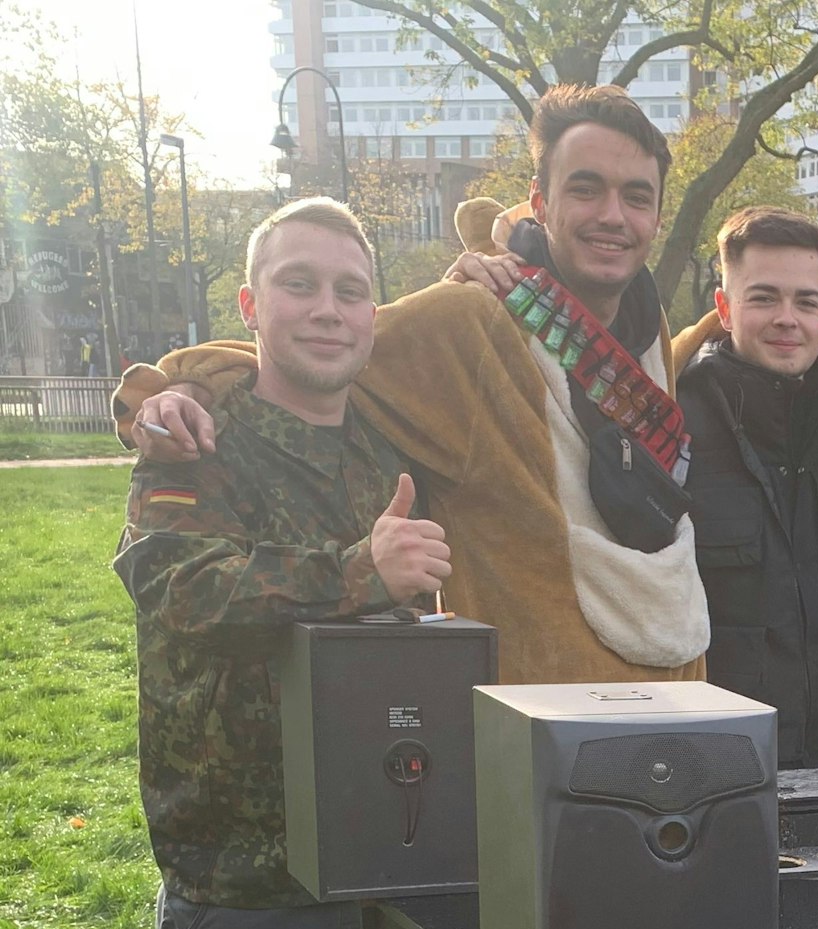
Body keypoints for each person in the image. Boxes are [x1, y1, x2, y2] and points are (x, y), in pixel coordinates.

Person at [119, 85, 716, 686]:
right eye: (585, 189)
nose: (613, 215)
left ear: (659, 217)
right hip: (538, 715)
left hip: (667, 682)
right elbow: (324, 345)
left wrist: (751, 325)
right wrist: (183, 384)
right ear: (538, 201)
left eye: (636, 197)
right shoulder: (469, 317)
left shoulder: (647, 320)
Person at [113, 199, 446, 929]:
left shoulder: (385, 458)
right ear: (251, 307)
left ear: (374, 317)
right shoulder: (198, 440)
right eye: (298, 285)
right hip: (241, 875)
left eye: (351, 291)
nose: (328, 310)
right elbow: (181, 590)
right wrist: (356, 572)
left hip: (376, 862)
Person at [677, 207, 818, 765]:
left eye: (806, 302)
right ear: (724, 308)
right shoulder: (673, 421)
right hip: (711, 764)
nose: (788, 318)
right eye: (763, 298)